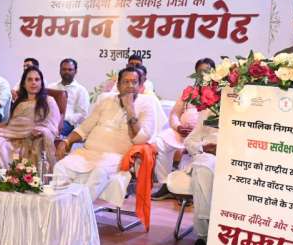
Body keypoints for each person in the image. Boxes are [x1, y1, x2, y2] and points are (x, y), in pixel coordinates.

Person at [53, 67, 156, 202]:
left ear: (140, 86)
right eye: (126, 82)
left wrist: (130, 109)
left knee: (99, 172)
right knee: (61, 167)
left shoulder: (147, 103)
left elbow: (142, 139)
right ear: (118, 85)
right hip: (87, 154)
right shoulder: (105, 99)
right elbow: (84, 128)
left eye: (134, 82)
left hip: (116, 157)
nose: (130, 85)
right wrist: (66, 141)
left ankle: (81, 210)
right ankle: (60, 206)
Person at [0, 67, 60, 175]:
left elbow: (52, 124)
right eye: (30, 79)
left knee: (37, 141)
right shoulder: (19, 102)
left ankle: (20, 176)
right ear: (24, 84)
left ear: (41, 83)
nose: (33, 83)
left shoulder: (48, 101)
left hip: (33, 137)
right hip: (13, 135)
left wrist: (41, 130)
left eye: (37, 79)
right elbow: (11, 124)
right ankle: (3, 176)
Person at [150, 58, 215, 200]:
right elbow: (174, 114)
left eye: (207, 71)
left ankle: (186, 190)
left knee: (195, 152)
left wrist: (197, 131)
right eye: (200, 72)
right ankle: (166, 184)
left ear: (214, 73)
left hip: (201, 136)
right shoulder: (189, 92)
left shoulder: (218, 93)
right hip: (181, 133)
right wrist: (178, 127)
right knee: (160, 143)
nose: (203, 75)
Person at [183, 110, 219, 245]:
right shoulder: (210, 111)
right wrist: (203, 148)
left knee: (202, 168)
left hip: (235, 159)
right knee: (202, 167)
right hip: (207, 156)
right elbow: (189, 141)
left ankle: (205, 235)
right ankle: (204, 238)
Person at [47, 58, 90, 137]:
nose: (67, 72)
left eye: (70, 70)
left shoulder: (81, 90)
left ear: (75, 72)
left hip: (67, 123)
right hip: (48, 120)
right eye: (64, 69)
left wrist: (64, 117)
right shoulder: (51, 87)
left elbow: (82, 115)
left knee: (50, 133)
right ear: (60, 71)